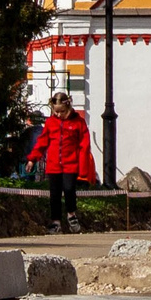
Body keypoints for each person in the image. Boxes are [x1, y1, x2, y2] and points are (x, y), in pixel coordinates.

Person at [25, 93, 96, 235]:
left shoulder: (78, 123)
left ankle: (71, 214)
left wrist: (83, 170)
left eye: (62, 111)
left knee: (69, 189)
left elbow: (84, 146)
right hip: (53, 165)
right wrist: (33, 159)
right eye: (56, 111)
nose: (59, 114)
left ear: (68, 107)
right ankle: (55, 222)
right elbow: (42, 142)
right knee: (55, 194)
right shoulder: (51, 123)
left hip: (71, 163)